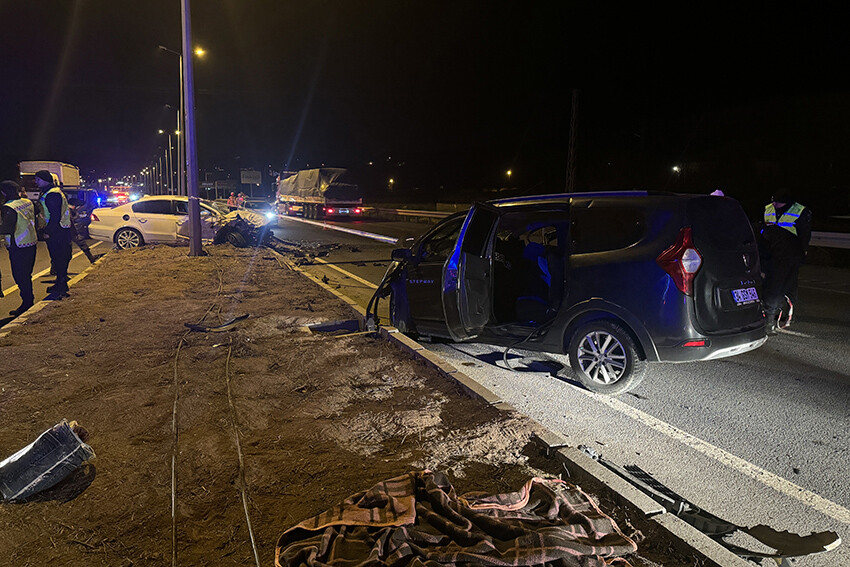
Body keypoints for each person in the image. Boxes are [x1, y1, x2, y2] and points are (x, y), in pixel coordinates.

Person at [759, 189, 812, 334]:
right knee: (783, 286)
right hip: (772, 252)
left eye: (778, 202)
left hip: (788, 254)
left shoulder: (799, 211)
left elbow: (804, 234)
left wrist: (802, 252)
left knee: (777, 288)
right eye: (773, 201)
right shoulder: (768, 209)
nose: (775, 204)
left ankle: (771, 321)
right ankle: (782, 317)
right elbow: (763, 229)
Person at [0, 180, 38, 316]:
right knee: (27, 274)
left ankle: (27, 303)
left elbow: (7, 228)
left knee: (20, 276)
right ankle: (29, 300)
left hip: (18, 245)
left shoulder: (8, 207)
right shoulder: (27, 202)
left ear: (4, 192)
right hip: (31, 242)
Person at [35, 170, 72, 300]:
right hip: (62, 229)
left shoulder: (52, 195)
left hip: (58, 231)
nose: (36, 182)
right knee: (59, 258)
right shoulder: (52, 192)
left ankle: (61, 285)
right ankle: (60, 284)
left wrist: (47, 232)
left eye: (38, 179)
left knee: (59, 258)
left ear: (45, 180)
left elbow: (55, 216)